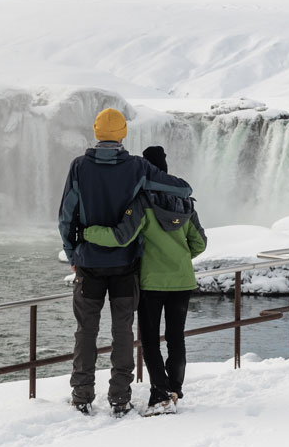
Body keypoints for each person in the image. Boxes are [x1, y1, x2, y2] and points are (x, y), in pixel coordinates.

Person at [58, 108, 191, 416]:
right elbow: (183, 189)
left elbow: (66, 217)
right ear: (123, 134)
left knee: (85, 331)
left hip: (89, 265)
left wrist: (73, 253)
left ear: (96, 132)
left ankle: (82, 396)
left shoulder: (79, 167)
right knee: (123, 332)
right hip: (125, 266)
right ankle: (119, 398)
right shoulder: (137, 168)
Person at [83, 144, 206, 413]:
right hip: (183, 281)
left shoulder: (143, 202)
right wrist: (180, 257)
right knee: (176, 338)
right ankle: (173, 390)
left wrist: (87, 232)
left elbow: (121, 236)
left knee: (150, 341)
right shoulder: (185, 203)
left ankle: (159, 395)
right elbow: (200, 243)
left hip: (152, 283)